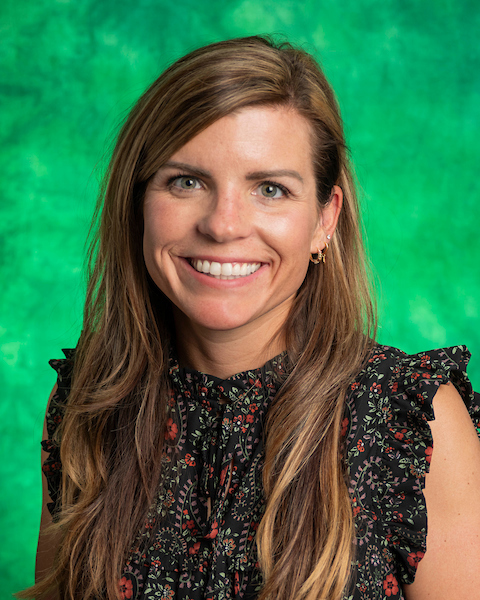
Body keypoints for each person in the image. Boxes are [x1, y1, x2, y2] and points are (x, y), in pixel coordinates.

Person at [20, 36, 480, 600]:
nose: (223, 225)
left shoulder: (412, 423)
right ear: (138, 200)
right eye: (186, 181)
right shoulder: (89, 402)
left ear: (324, 220)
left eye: (270, 189)